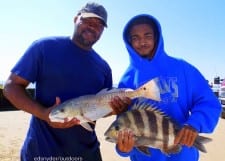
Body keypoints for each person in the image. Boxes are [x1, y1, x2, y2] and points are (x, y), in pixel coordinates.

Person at [3, 2, 130, 161]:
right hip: (41, 152)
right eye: (88, 20)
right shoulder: (44, 48)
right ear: (76, 18)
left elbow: (99, 108)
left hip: (88, 154)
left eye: (99, 24)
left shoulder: (104, 68)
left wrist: (114, 109)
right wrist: (43, 114)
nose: (93, 27)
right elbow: (11, 87)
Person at [115, 14, 221, 161]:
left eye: (148, 35)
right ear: (129, 42)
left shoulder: (183, 68)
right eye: (135, 38)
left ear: (157, 37)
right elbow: (124, 122)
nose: (142, 41)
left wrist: (195, 124)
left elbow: (209, 103)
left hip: (183, 154)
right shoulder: (127, 80)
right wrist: (122, 149)